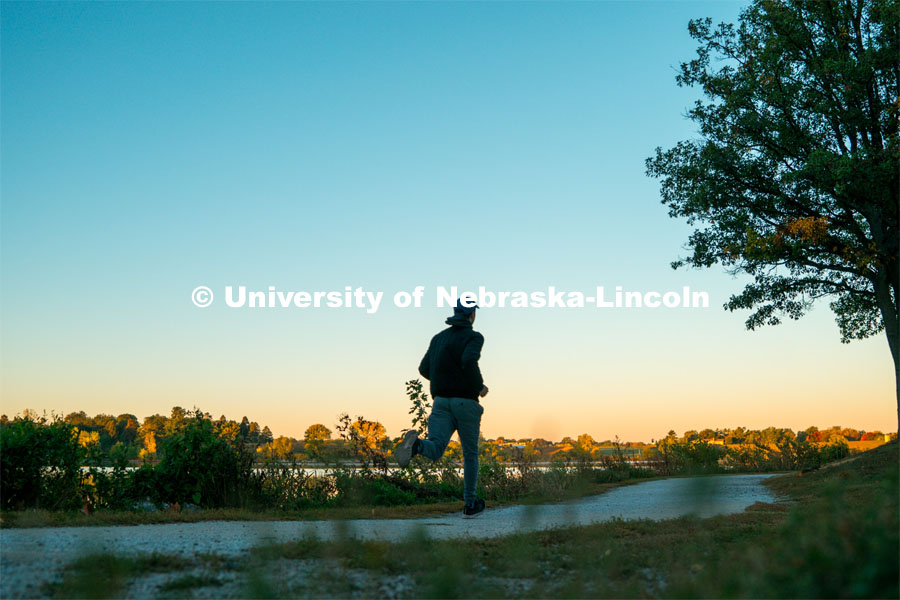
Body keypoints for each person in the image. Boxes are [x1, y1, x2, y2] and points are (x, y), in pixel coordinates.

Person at [395, 298, 489, 518]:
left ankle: (416, 445)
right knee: (470, 455)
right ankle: (470, 503)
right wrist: (478, 386)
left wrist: (444, 379)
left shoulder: (438, 338)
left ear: (455, 311)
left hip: (441, 402)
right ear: (472, 314)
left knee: (436, 448)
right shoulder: (474, 337)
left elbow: (424, 368)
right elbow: (469, 360)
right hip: (465, 402)